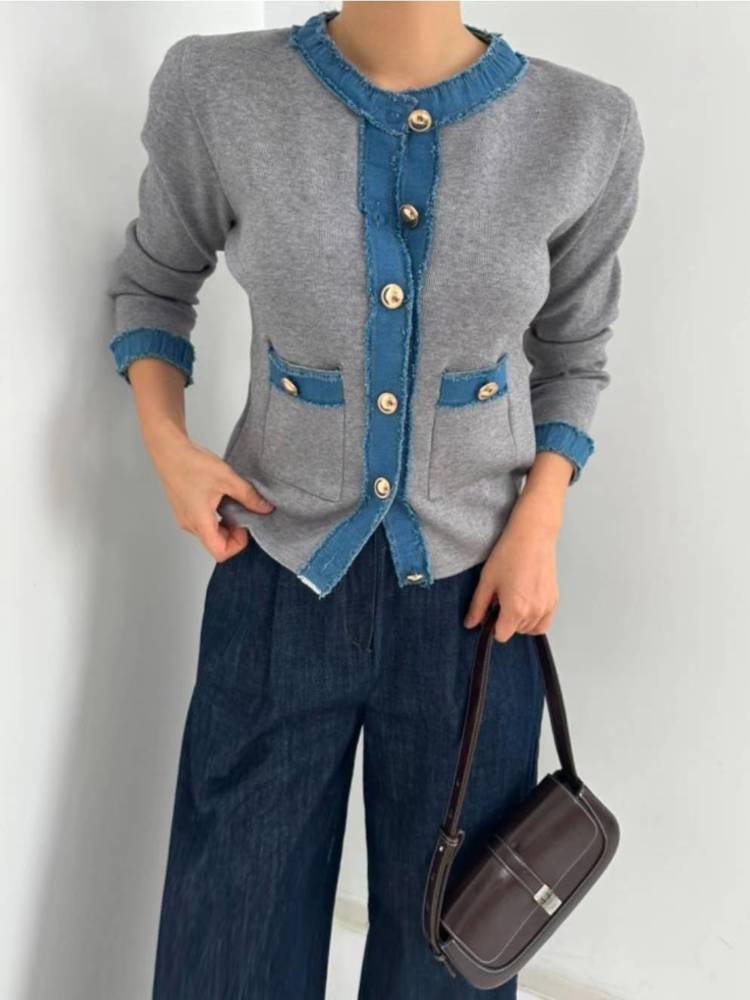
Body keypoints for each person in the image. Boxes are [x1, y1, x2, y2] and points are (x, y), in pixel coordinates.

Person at [106, 3, 644, 997]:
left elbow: (574, 354)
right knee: (229, 942)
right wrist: (168, 446)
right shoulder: (219, 89)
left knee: (447, 958)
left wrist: (540, 518)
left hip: (477, 606)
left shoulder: (585, 124)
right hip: (276, 580)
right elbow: (153, 282)